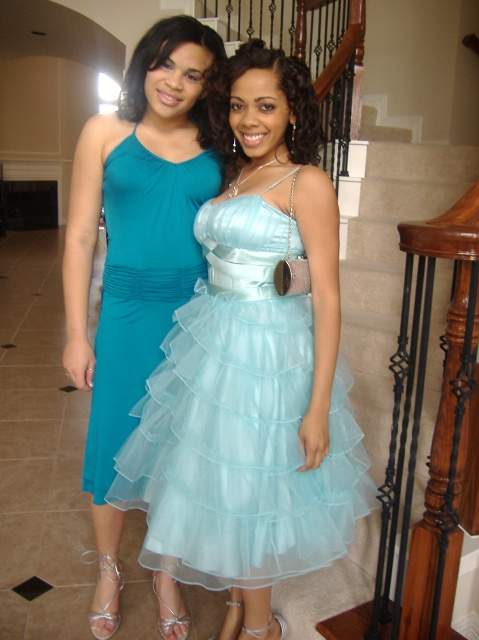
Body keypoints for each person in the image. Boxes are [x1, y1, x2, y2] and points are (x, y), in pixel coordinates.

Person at [106, 39, 378, 640]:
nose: (248, 120)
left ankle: (260, 628)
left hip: (268, 353)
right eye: (237, 105)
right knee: (225, 486)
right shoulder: (237, 173)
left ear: (293, 113)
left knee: (253, 492)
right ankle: (241, 607)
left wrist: (317, 407)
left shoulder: (306, 183)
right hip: (215, 339)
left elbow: (328, 297)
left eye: (266, 106)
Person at [62, 15, 226, 640]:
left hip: (196, 316)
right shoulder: (104, 131)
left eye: (194, 75)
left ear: (207, 87)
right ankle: (110, 570)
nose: (174, 83)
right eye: (166, 64)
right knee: (113, 442)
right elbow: (80, 237)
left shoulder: (217, 146)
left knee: (179, 452)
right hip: (126, 314)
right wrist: (76, 334)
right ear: (144, 64)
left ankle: (165, 573)